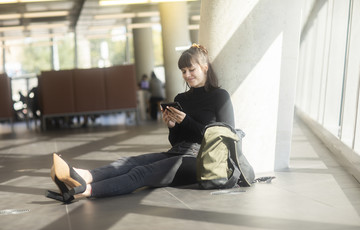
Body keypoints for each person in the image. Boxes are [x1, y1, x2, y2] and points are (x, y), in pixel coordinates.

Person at [46, 44, 235, 203]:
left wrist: (186, 120)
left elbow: (226, 138)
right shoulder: (181, 98)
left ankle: (86, 190)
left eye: (191, 70)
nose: (186, 75)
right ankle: (84, 175)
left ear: (204, 67)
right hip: (178, 152)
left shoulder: (220, 97)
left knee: (142, 172)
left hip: (202, 160)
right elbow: (177, 142)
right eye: (183, 71)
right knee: (129, 162)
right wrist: (172, 126)